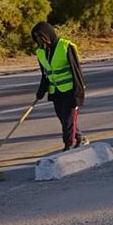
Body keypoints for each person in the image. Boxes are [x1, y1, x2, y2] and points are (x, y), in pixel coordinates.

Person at [31, 22, 88, 151]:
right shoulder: (40, 52)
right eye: (37, 38)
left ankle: (69, 145)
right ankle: (80, 137)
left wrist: (78, 93)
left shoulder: (65, 46)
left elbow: (76, 71)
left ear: (48, 34)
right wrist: (40, 92)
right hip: (55, 92)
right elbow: (46, 74)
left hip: (70, 90)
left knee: (68, 121)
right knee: (64, 119)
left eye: (41, 37)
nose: (39, 40)